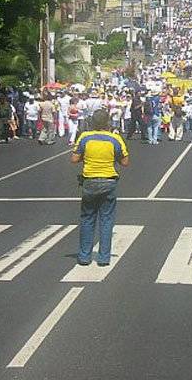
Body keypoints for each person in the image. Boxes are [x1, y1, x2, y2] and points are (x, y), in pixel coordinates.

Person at [72, 110, 129, 266]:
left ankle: (84, 256)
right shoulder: (115, 139)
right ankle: (103, 258)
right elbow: (125, 162)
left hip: (89, 181)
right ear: (107, 123)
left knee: (88, 218)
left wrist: (87, 156)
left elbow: (74, 159)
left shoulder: (85, 137)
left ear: (92, 122)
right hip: (108, 181)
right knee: (106, 219)